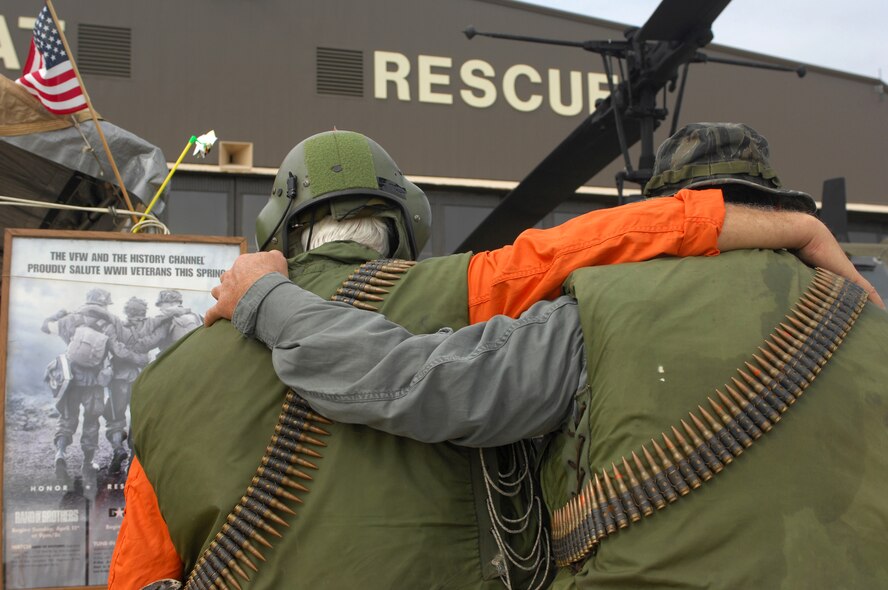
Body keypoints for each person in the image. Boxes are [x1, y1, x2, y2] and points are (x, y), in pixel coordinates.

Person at [110, 129, 873, 590]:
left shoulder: (163, 385)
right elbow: (601, 241)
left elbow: (138, 576)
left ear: (280, 223)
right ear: (406, 219)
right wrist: (788, 230)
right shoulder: (475, 288)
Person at [42, 288, 120, 483]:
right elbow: (116, 352)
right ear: (104, 304)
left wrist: (59, 313)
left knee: (67, 418)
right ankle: (88, 462)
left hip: (69, 379)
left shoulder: (70, 320)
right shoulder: (109, 323)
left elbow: (45, 327)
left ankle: (60, 453)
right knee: (91, 421)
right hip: (94, 382)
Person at [104, 297, 173, 475]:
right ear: (143, 311)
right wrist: (141, 358)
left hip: (119, 379)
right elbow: (158, 331)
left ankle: (118, 450)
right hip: (140, 379)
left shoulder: (115, 326)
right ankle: (133, 464)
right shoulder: (149, 325)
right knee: (138, 419)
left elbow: (116, 350)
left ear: (127, 311)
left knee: (115, 418)